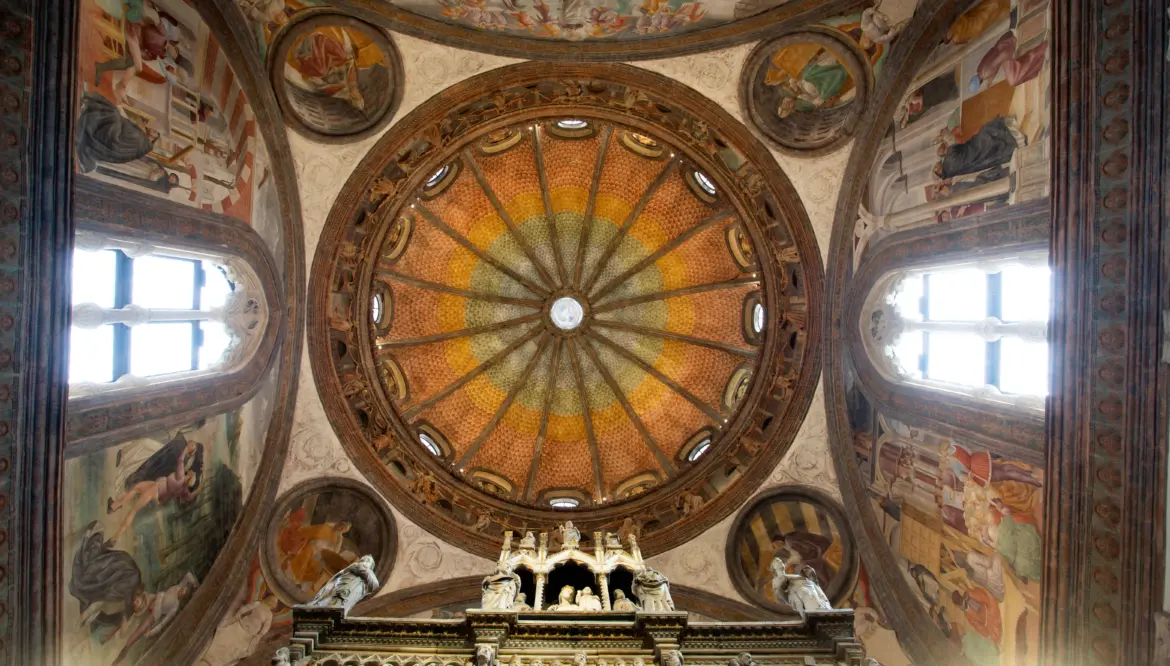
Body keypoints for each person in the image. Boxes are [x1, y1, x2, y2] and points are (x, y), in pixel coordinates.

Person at [107, 437, 204, 543]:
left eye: (191, 474)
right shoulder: (183, 489)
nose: (190, 472)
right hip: (157, 487)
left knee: (133, 510)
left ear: (189, 478)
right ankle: (114, 505)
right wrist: (197, 490)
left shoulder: (180, 476)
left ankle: (115, 537)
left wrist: (186, 449)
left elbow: (180, 460)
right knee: (135, 488)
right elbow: (189, 497)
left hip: (156, 490)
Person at [68, 522, 145, 643]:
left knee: (89, 575)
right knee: (88, 573)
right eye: (139, 601)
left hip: (111, 571)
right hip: (113, 565)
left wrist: (133, 620)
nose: (136, 602)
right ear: (142, 596)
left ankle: (91, 541)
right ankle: (90, 541)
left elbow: (123, 632)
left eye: (136, 606)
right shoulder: (134, 582)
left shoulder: (128, 601)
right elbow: (108, 593)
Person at [112, 572, 199, 665]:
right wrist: (195, 584)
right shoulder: (178, 586)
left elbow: (163, 623)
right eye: (183, 589)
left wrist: (151, 633)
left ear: (183, 598)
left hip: (154, 614)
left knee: (134, 636)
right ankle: (116, 626)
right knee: (136, 600)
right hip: (153, 598)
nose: (181, 592)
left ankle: (118, 659)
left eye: (183, 594)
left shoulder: (175, 606)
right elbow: (188, 575)